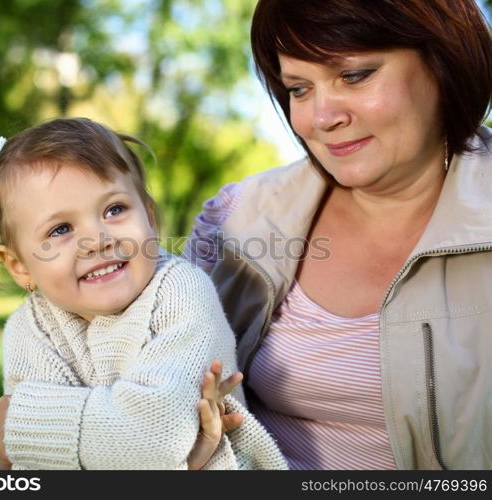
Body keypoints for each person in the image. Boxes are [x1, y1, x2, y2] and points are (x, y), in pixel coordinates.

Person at [184, 0, 492, 470]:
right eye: (299, 88)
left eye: (353, 75)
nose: (321, 117)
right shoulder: (236, 220)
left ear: (442, 61)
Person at [0, 117, 287, 470]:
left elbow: (155, 437)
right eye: (60, 229)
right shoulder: (32, 328)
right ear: (19, 266)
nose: (97, 240)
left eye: (114, 210)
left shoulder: (180, 291)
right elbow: (43, 467)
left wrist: (22, 427)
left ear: (149, 217)